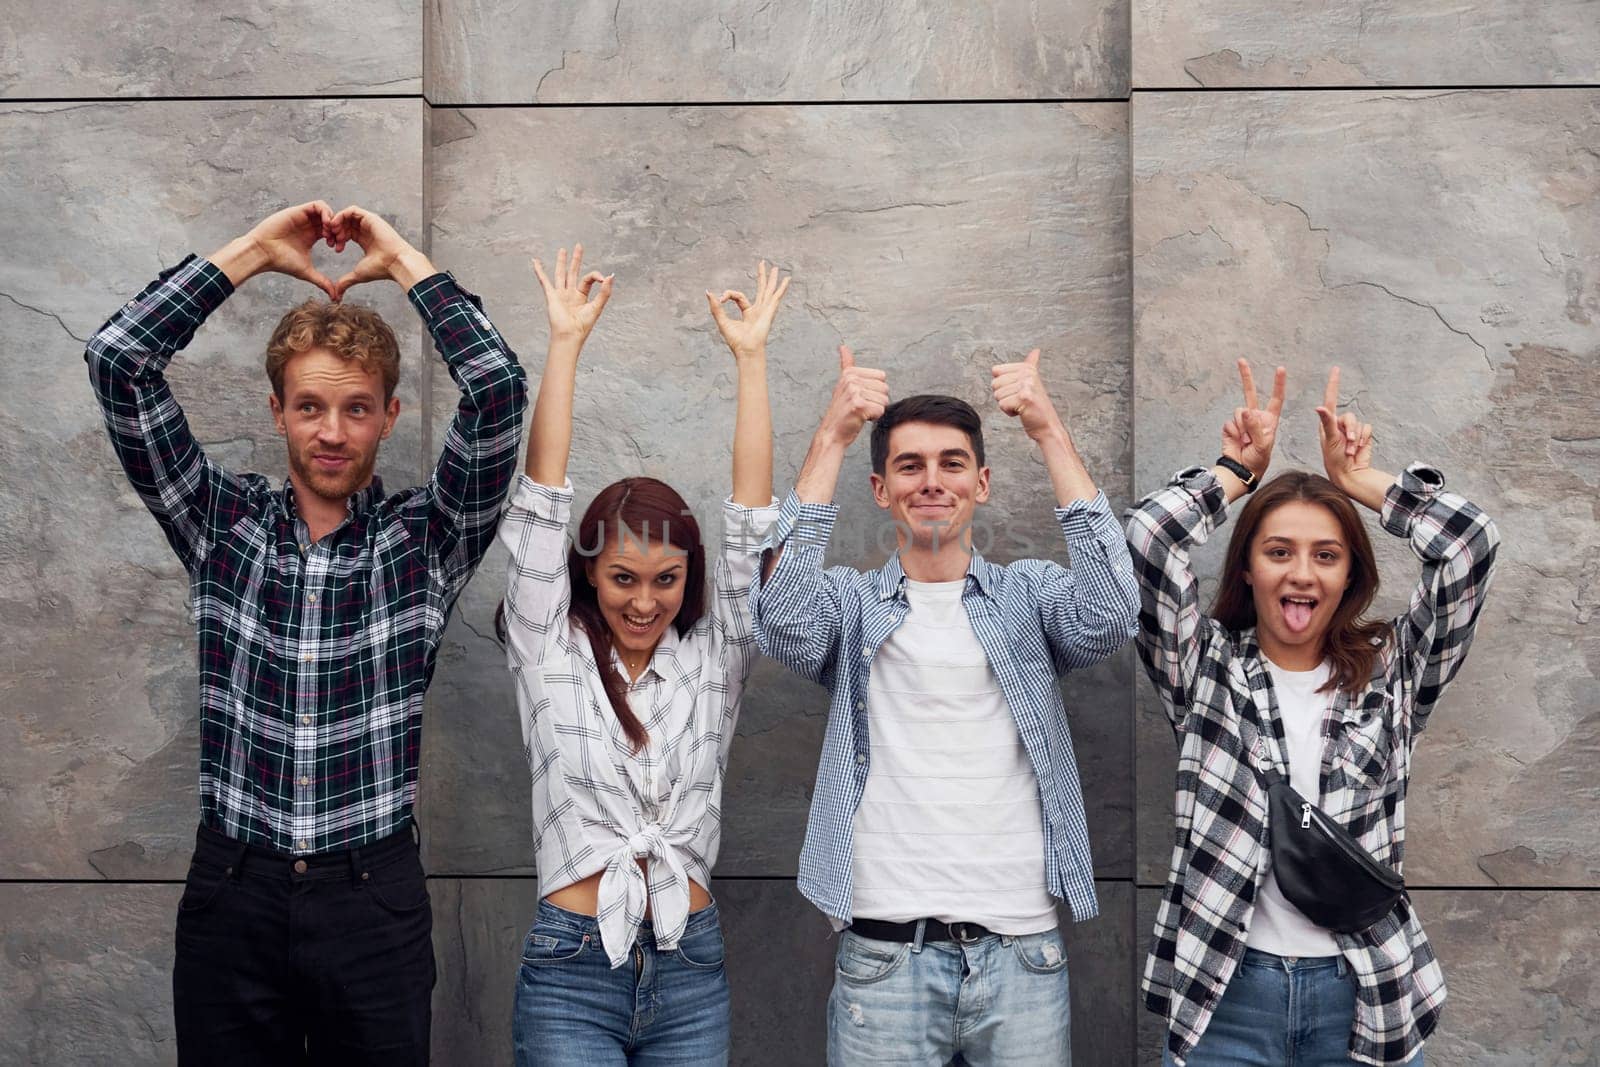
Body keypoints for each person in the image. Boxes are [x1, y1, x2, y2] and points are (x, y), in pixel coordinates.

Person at [84, 201, 528, 1063]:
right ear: (279, 409)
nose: (333, 432)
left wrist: (400, 257)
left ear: (390, 416)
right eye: (312, 407)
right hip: (233, 889)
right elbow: (118, 361)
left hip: (372, 898)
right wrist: (251, 254)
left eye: (357, 409)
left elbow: (498, 391)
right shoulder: (220, 523)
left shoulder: (425, 539)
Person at [750, 346, 1141, 1065]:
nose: (932, 481)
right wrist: (831, 437)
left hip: (1022, 955)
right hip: (885, 959)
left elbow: (1113, 611)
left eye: (952, 463)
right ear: (880, 487)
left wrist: (1048, 428)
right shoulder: (850, 604)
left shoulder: (1028, 595)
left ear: (982, 483)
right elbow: (778, 617)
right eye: (910, 464)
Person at [1125, 361, 1500, 1066]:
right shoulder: (1204, 667)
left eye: (1326, 555)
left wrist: (1360, 483)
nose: (1301, 572)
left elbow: (1468, 547)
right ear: (1247, 569)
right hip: (1227, 993)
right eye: (1279, 552)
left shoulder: (1394, 672)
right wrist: (1235, 471)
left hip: (1363, 996)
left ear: (1350, 575)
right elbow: (1146, 538)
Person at [498, 249, 787, 1065]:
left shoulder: (714, 658)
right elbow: (541, 502)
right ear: (589, 572)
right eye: (623, 577)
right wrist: (565, 344)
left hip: (691, 966)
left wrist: (752, 360)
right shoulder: (547, 647)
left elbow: (750, 526)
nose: (643, 600)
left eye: (665, 580)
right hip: (569, 968)